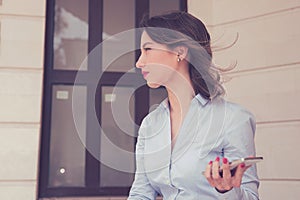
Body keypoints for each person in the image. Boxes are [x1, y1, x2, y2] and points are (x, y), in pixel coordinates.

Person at [128, 11, 259, 200]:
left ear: (179, 52)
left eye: (147, 49)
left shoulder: (233, 119)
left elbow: (251, 196)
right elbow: (141, 193)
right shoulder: (150, 124)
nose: (139, 62)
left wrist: (228, 190)